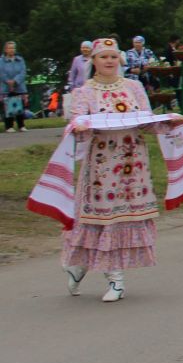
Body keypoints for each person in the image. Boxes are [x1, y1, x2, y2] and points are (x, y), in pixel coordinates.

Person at [59, 38, 159, 302]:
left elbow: (146, 122)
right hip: (102, 165)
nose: (109, 61)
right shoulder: (84, 92)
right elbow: (76, 124)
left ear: (120, 60)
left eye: (113, 57)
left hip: (132, 163)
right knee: (104, 220)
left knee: (125, 219)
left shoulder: (134, 87)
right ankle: (114, 278)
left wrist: (169, 122)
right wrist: (80, 127)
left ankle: (84, 268)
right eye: (103, 57)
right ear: (93, 61)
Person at [1, 40, 27, 132]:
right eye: (10, 48)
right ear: (6, 49)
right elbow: (1, 73)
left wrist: (15, 81)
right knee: (8, 107)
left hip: (19, 87)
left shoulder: (20, 60)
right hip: (6, 88)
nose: (12, 50)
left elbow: (23, 72)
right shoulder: (1, 61)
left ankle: (21, 125)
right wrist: (8, 81)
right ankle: (9, 126)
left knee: (20, 106)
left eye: (13, 48)